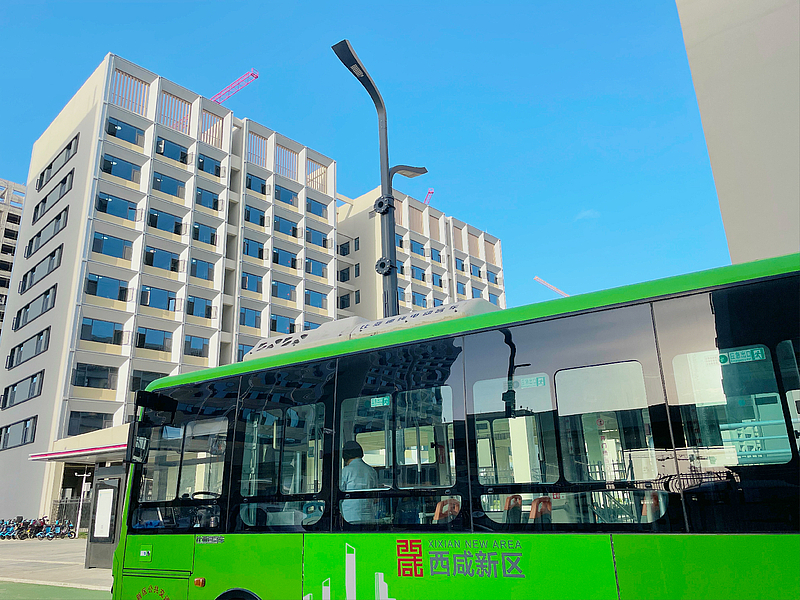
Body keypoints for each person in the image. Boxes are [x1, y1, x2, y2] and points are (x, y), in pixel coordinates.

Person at [339, 440, 378, 524]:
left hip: (350, 515)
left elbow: (339, 493)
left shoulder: (346, 471)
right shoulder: (371, 470)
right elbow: (375, 496)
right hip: (368, 515)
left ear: (345, 456)